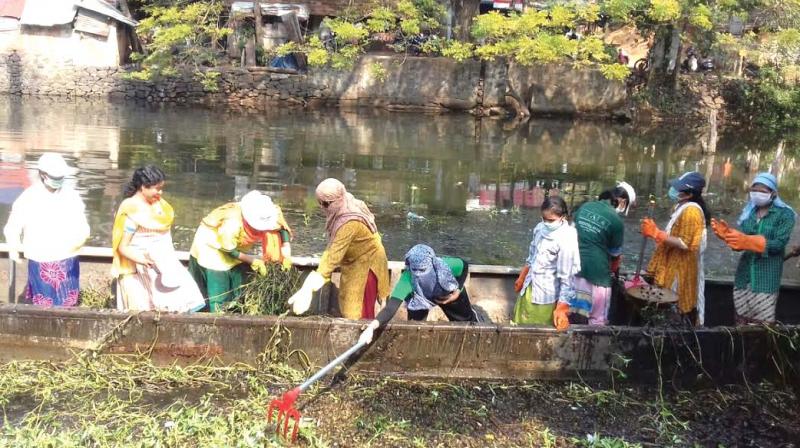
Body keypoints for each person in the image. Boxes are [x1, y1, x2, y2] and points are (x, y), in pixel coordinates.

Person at [288, 178, 389, 319]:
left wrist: (308, 288)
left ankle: (364, 338)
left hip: (367, 266)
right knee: (348, 304)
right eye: (319, 203)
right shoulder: (345, 200)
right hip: (354, 261)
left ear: (337, 200)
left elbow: (332, 257)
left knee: (358, 313)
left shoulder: (349, 223)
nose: (322, 207)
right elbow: (333, 249)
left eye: (325, 204)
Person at [111, 166, 205, 312]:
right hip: (143, 264)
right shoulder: (131, 210)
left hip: (164, 261)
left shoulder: (159, 205)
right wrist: (142, 260)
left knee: (185, 292)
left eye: (162, 188)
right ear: (143, 187)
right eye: (157, 189)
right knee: (148, 307)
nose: (160, 193)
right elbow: (123, 247)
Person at [3, 153, 90, 307]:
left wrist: (82, 236)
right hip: (41, 257)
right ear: (43, 174)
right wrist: (13, 248)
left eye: (60, 177)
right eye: (54, 177)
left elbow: (82, 223)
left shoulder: (71, 195)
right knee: (43, 302)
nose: (57, 181)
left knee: (68, 302)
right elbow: (13, 226)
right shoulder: (29, 197)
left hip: (67, 258)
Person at [188, 190, 293, 312]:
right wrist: (253, 261)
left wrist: (286, 251)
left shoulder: (267, 211)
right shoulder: (232, 223)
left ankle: (234, 310)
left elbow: (280, 227)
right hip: (211, 248)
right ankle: (216, 317)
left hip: (235, 246)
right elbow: (229, 250)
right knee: (219, 292)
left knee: (237, 289)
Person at [711, 173, 796, 323]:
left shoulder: (785, 214)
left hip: (766, 277)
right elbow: (741, 242)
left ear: (773, 193)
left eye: (762, 191)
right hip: (744, 276)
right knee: (741, 321)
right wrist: (728, 236)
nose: (757, 194)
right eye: (754, 190)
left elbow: (778, 244)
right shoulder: (749, 212)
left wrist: (748, 241)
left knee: (763, 325)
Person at [358, 244, 477, 344]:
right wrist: (371, 327)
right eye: (416, 270)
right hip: (419, 299)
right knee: (415, 329)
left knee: (466, 323)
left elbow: (464, 265)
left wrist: (457, 290)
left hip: (448, 294)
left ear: (432, 264)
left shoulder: (447, 265)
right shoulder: (408, 278)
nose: (419, 274)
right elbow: (391, 308)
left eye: (423, 270)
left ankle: (471, 341)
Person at [641, 171, 709, 325]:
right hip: (672, 262)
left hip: (681, 268)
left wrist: (658, 234)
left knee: (676, 305)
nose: (674, 190)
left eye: (679, 188)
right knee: (667, 303)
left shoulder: (692, 211)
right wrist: (656, 235)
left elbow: (686, 243)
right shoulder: (681, 207)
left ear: (689, 194)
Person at [570, 182, 636, 326]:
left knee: (575, 312)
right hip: (598, 275)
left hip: (574, 271)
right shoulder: (616, 221)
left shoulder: (585, 207)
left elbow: (571, 234)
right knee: (598, 320)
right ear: (623, 201)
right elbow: (615, 254)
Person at [512, 196, 580, 329]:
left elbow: (567, 277)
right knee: (519, 324)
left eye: (551, 220)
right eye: (544, 218)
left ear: (562, 217)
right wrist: (523, 275)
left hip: (547, 294)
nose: (547, 223)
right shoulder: (540, 228)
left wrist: (562, 306)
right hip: (530, 287)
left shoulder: (567, 237)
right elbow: (532, 256)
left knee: (539, 330)